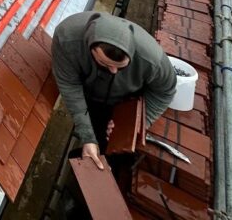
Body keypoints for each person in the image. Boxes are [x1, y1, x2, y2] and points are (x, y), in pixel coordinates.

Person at [51, 11, 177, 169]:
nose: (113, 71)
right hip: (92, 97)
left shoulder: (152, 59)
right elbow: (70, 87)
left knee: (122, 147)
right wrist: (88, 137)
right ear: (91, 47)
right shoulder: (67, 39)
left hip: (127, 100)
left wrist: (136, 123)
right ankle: (95, 154)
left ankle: (116, 163)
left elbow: (165, 92)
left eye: (121, 67)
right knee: (95, 131)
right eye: (105, 64)